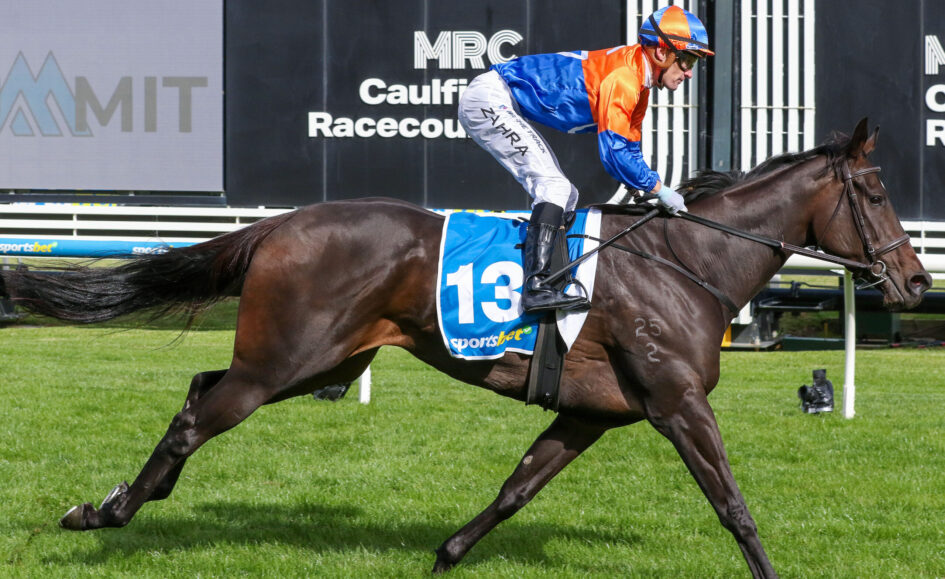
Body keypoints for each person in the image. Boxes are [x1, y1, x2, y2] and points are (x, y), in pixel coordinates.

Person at [458, 5, 714, 313]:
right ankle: (534, 288)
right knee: (553, 188)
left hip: (503, 100)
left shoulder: (639, 85)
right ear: (661, 53)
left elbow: (630, 151)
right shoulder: (625, 79)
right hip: (490, 100)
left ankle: (550, 281)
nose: (688, 72)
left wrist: (648, 188)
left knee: (567, 195)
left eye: (693, 64)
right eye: (686, 59)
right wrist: (659, 189)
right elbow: (614, 155)